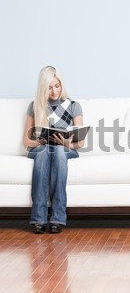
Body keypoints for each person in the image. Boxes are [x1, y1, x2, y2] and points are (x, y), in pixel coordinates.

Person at [23, 66, 85, 234]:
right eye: (49, 87)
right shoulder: (35, 106)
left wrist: (66, 144)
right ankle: (39, 219)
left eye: (57, 85)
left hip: (65, 149)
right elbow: (25, 140)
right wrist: (38, 142)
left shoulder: (73, 106)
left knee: (57, 151)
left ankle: (58, 218)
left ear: (61, 84)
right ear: (43, 88)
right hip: (41, 148)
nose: (54, 91)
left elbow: (81, 142)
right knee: (44, 152)